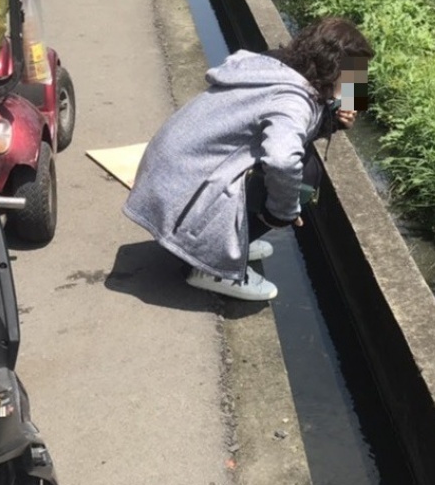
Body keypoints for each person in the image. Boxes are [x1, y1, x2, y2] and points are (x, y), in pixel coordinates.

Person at [124, 16, 374, 301]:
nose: (356, 81)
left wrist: (345, 114)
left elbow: (348, 101)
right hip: (181, 190)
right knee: (305, 174)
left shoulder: (274, 62)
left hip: (168, 172)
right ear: (332, 70)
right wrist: (282, 213)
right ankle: (212, 266)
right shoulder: (293, 101)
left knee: (299, 161)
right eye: (352, 74)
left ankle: (232, 238)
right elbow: (282, 159)